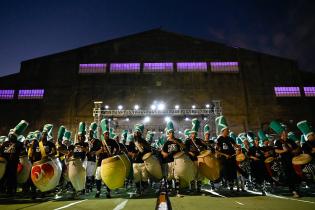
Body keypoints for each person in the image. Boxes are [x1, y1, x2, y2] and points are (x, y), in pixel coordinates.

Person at [270, 120, 301, 198]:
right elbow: (276, 150)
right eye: (284, 133)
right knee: (289, 175)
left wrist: (295, 150)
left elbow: (297, 148)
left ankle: (296, 188)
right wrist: (284, 150)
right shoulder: (278, 142)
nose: (286, 134)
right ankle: (293, 190)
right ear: (281, 134)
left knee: (295, 175)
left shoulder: (290, 140)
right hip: (285, 161)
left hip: (293, 160)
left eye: (286, 133)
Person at [0, 120, 28, 195]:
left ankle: (12, 190)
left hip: (14, 163)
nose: (10, 136)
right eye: (10, 135)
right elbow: (1, 153)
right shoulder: (5, 143)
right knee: (4, 176)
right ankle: (3, 189)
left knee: (12, 177)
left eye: (12, 135)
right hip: (5, 163)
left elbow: (24, 151)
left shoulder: (19, 144)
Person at [94, 119, 120, 198]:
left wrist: (114, 154)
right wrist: (101, 150)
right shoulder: (99, 142)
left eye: (108, 134)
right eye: (106, 134)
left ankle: (108, 192)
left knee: (108, 177)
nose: (107, 135)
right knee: (98, 177)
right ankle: (98, 191)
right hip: (100, 162)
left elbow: (118, 148)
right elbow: (95, 153)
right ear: (103, 134)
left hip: (109, 162)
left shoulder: (112, 141)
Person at [161, 121, 184, 196]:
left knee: (177, 176)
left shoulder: (178, 140)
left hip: (177, 161)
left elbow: (184, 147)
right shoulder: (166, 143)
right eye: (170, 132)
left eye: (172, 132)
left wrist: (176, 142)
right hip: (169, 161)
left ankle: (178, 191)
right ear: (168, 133)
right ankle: (170, 190)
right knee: (169, 176)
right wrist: (164, 154)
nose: (171, 134)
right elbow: (163, 152)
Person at [215, 116, 237, 192]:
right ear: (223, 131)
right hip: (224, 159)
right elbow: (217, 151)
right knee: (224, 171)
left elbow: (236, 146)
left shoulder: (230, 138)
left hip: (232, 157)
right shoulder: (219, 139)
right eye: (226, 130)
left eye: (228, 130)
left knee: (232, 171)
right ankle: (220, 183)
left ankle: (231, 185)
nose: (228, 131)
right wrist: (225, 155)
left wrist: (238, 147)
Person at [129, 123, 151, 195]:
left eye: (138, 132)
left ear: (140, 133)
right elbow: (129, 151)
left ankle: (144, 189)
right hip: (135, 162)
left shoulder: (144, 141)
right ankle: (138, 189)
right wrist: (133, 154)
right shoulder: (132, 142)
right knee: (136, 178)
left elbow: (148, 150)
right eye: (135, 132)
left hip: (143, 162)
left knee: (144, 177)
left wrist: (142, 146)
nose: (136, 133)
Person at [185, 118, 206, 193]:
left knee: (199, 174)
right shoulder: (187, 141)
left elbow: (204, 147)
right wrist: (190, 153)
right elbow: (185, 150)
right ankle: (192, 188)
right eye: (192, 134)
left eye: (194, 134)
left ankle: (199, 188)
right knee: (192, 174)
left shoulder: (199, 140)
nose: (193, 135)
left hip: (198, 159)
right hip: (191, 159)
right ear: (190, 134)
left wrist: (203, 145)